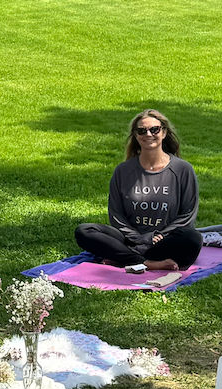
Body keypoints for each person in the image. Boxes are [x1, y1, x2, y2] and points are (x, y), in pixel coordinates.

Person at [75, 110, 202, 271]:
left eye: (154, 129)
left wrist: (160, 235)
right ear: (136, 136)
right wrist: (140, 238)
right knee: (84, 231)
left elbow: (187, 216)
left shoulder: (183, 169)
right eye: (142, 131)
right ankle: (147, 263)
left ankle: (123, 258)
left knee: (192, 238)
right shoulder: (123, 171)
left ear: (163, 132)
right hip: (129, 239)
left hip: (165, 241)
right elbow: (116, 215)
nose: (148, 134)